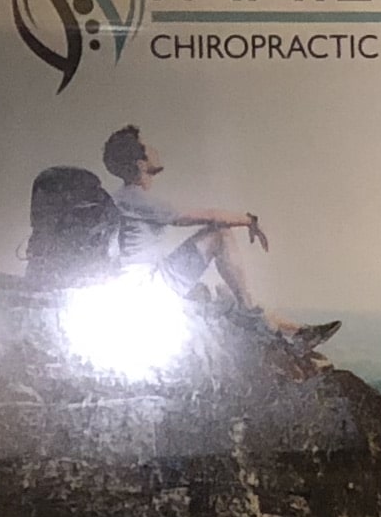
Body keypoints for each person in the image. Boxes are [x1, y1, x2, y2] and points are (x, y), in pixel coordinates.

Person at [100, 124, 337, 350]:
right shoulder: (137, 199)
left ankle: (297, 332)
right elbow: (208, 216)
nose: (154, 148)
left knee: (229, 292)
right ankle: (250, 314)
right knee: (220, 235)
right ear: (141, 163)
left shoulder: (125, 198)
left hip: (145, 284)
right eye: (146, 145)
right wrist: (250, 221)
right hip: (150, 288)